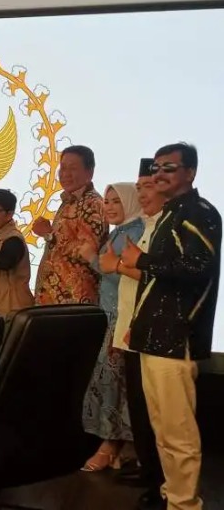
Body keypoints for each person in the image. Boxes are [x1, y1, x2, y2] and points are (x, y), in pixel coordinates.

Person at [121, 143, 221, 510]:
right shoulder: (172, 212)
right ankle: (172, 496)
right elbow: (158, 283)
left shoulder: (198, 212)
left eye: (170, 168)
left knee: (178, 432)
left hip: (175, 337)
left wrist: (142, 260)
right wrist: (139, 323)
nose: (159, 174)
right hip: (154, 335)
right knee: (163, 428)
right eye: (156, 167)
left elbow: (198, 268)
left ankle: (184, 504)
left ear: (190, 173)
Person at [102, 160, 166, 508]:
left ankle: (161, 483)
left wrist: (117, 265)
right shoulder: (144, 225)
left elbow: (155, 276)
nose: (142, 194)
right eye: (139, 188)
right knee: (139, 406)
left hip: (149, 330)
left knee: (156, 410)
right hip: (129, 325)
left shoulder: (163, 227)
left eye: (148, 187)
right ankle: (148, 471)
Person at [78, 183, 144, 472]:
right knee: (113, 383)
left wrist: (92, 258)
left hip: (123, 319)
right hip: (111, 317)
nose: (109, 207)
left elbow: (129, 274)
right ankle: (122, 445)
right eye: (107, 201)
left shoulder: (136, 232)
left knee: (114, 384)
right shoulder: (122, 230)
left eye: (117, 201)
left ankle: (112, 445)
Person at [33, 145, 108, 304]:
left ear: (89, 172)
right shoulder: (69, 201)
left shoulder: (93, 203)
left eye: (73, 168)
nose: (65, 174)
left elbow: (87, 252)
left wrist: (50, 235)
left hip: (75, 300)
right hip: (54, 298)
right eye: (63, 168)